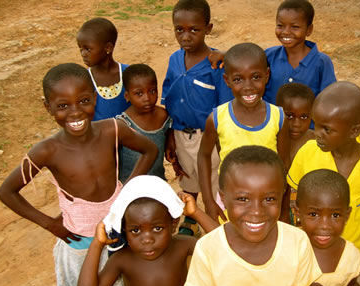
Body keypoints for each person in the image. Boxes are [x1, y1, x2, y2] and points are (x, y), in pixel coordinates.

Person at [0, 63, 158, 286]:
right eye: (63, 106)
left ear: (95, 98)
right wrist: (50, 224)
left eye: (84, 101)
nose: (75, 112)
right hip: (79, 238)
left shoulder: (112, 129)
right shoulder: (46, 151)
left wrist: (127, 193)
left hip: (117, 227)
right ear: (48, 107)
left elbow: (150, 150)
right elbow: (7, 192)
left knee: (125, 280)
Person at [287, 81, 360, 285]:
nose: (317, 134)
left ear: (353, 131)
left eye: (327, 130)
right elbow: (293, 189)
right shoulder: (307, 153)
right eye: (316, 125)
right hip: (313, 250)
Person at [185, 145, 322, 286]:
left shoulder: (297, 242)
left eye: (269, 199)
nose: (257, 211)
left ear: (282, 196)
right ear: (223, 198)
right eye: (243, 199)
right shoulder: (207, 249)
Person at [76, 175, 218, 286]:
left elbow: (224, 247)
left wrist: (196, 213)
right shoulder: (122, 259)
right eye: (135, 231)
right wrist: (97, 243)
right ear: (124, 229)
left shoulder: (183, 245)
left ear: (173, 224)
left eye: (157, 228)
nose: (147, 239)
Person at [162, 0, 233, 235]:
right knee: (187, 177)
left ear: (208, 28)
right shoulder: (174, 59)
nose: (186, 36)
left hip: (209, 138)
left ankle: (216, 222)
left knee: (214, 181)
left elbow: (224, 106)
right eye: (179, 30)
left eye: (194, 29)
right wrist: (170, 134)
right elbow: (169, 95)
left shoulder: (216, 64)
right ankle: (191, 220)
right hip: (182, 133)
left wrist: (222, 143)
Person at [198, 42, 289, 222]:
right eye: (238, 79)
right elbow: (203, 156)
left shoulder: (278, 118)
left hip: (267, 202)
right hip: (230, 202)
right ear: (227, 80)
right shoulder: (217, 118)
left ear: (267, 75)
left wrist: (284, 210)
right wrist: (208, 200)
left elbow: (284, 165)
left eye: (255, 77)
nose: (248, 86)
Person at [295, 169, 360, 286]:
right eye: (313, 214)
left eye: (335, 215)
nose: (325, 225)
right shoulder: (287, 248)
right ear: (298, 213)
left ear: (347, 215)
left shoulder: (351, 256)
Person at [263, 0, 336, 105]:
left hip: (308, 122)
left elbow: (329, 100)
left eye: (295, 27)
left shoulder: (322, 62)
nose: (286, 31)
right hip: (274, 121)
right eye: (280, 25)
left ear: (309, 30)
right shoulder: (268, 56)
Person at [116, 64, 171, 183]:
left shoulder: (163, 115)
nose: (147, 98)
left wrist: (171, 144)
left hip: (157, 182)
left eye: (152, 91)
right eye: (139, 94)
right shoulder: (123, 124)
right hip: (130, 186)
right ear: (127, 96)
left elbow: (169, 132)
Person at [76, 17, 131, 121]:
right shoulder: (84, 80)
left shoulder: (129, 74)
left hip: (129, 135)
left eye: (88, 49)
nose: (83, 54)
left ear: (108, 48)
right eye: (81, 49)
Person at [276, 82, 315, 164]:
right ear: (277, 111)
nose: (296, 124)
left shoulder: (317, 142)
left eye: (304, 117)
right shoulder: (270, 139)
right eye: (289, 116)